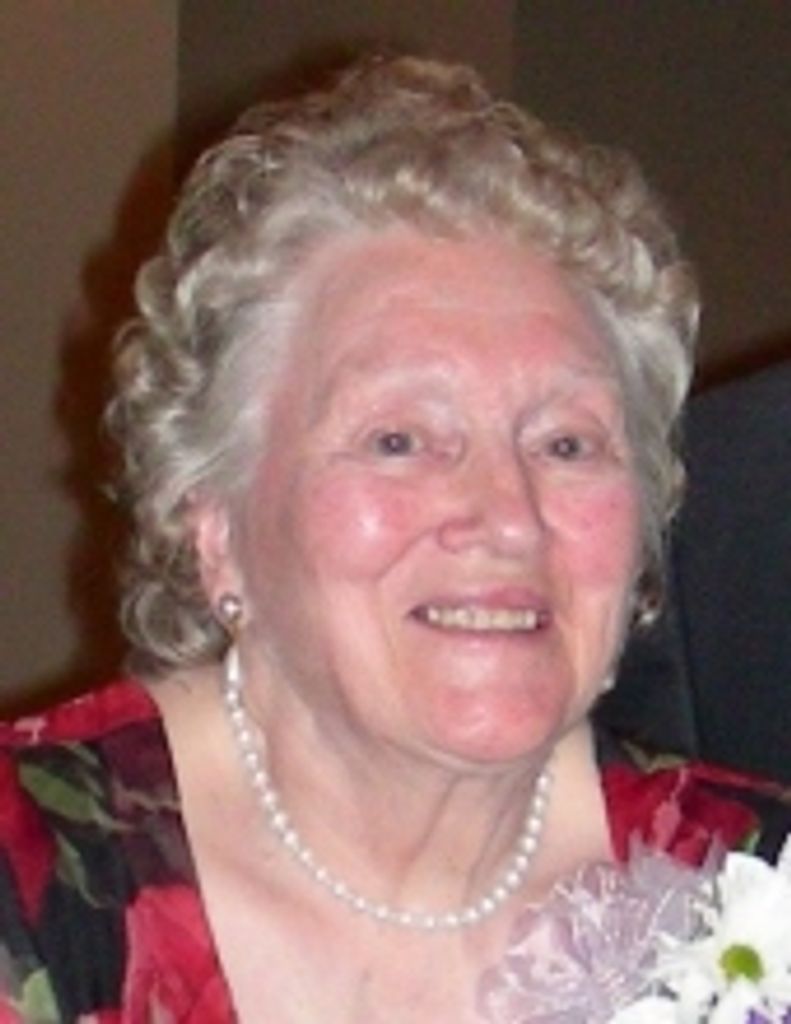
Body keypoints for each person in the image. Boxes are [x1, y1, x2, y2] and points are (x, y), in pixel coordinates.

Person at [1, 56, 788, 1023]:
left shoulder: (756, 887)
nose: (507, 515)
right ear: (214, 523)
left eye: (566, 443)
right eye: (398, 440)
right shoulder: (24, 890)